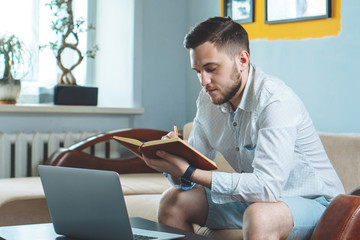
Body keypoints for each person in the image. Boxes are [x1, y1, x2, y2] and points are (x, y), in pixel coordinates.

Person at [143, 16, 345, 240]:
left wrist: (191, 172)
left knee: (260, 216)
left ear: (242, 60)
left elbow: (267, 187)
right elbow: (187, 175)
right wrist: (173, 158)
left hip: (319, 205)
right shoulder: (208, 100)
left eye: (211, 69)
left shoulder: (275, 101)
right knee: (173, 201)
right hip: (261, 201)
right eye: (198, 71)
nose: (203, 81)